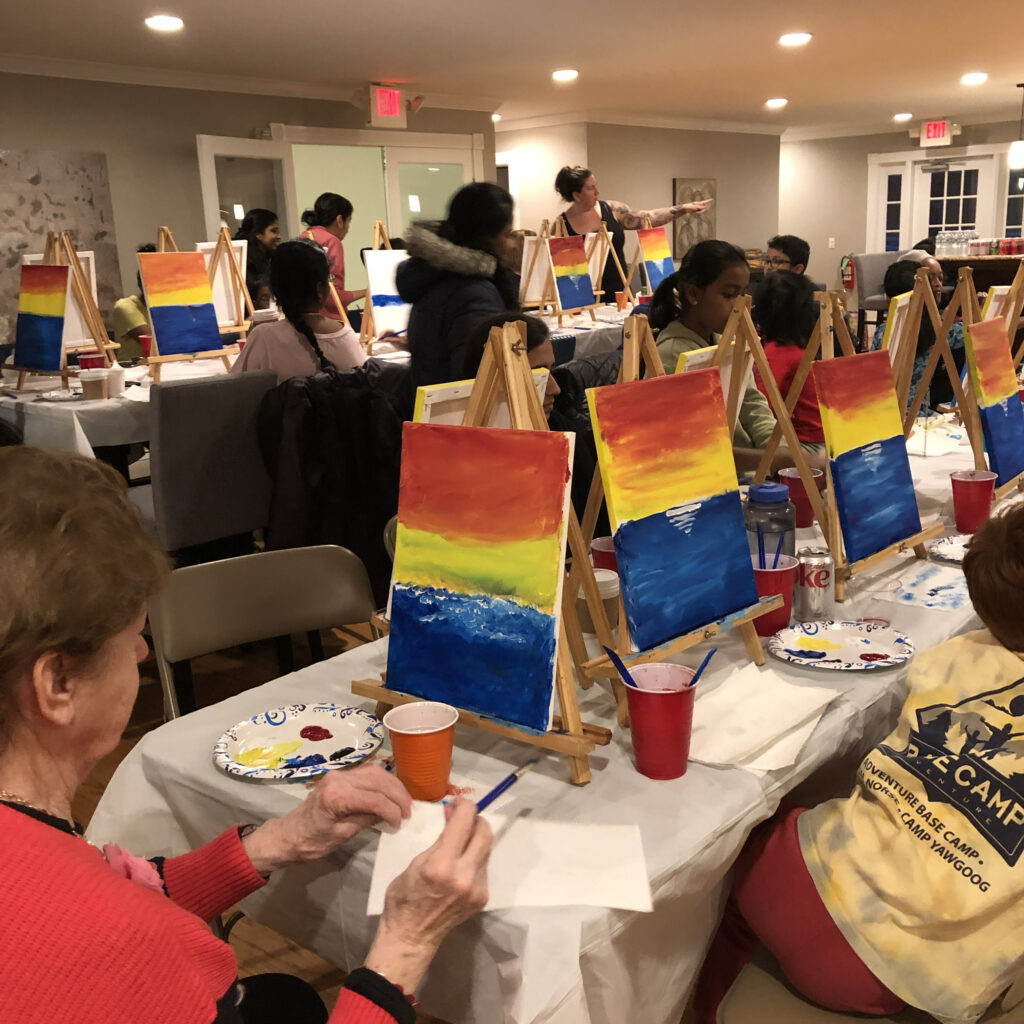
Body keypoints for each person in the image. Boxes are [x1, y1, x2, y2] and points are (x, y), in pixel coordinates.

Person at [0, 445, 493, 1024]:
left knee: (285, 999)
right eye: (134, 637)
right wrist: (404, 947)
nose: (140, 652)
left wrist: (280, 841)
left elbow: (110, 893)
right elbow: (107, 931)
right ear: (57, 682)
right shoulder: (116, 946)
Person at [694, 503, 1024, 1024]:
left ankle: (702, 1007)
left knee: (749, 836)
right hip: (897, 971)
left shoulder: (954, 656)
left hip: (792, 883)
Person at [649, 240, 777, 450]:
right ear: (694, 294)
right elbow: (694, 448)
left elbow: (752, 403)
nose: (739, 305)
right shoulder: (672, 353)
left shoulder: (726, 341)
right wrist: (773, 459)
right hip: (712, 473)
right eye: (729, 295)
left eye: (742, 294)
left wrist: (779, 449)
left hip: (747, 466)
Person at [397, 182, 519, 388]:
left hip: (435, 412)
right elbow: (479, 382)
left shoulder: (435, 276)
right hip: (460, 416)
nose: (512, 244)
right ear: (485, 237)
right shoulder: (474, 292)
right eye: (507, 234)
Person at [554, 166, 713, 302]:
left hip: (619, 294)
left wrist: (683, 208)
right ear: (576, 195)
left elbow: (647, 218)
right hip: (582, 300)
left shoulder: (612, 209)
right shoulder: (561, 227)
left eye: (596, 186)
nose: (597, 192)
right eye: (590, 188)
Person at [231, 239, 366, 384]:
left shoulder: (264, 337)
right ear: (320, 289)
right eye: (329, 279)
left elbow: (235, 391)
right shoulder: (347, 337)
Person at [870, 255, 965, 411]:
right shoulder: (933, 331)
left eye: (940, 279)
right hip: (918, 417)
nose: (937, 285)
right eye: (932, 280)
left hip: (884, 415)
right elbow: (967, 332)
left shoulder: (882, 333)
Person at [751, 271, 825, 453]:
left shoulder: (777, 355)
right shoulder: (794, 352)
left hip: (806, 446)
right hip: (818, 441)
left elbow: (762, 408)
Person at [301, 193, 367, 326]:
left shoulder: (302, 237)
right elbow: (331, 296)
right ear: (340, 220)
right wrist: (367, 292)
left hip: (302, 321)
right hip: (328, 324)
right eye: (349, 221)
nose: (348, 229)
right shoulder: (331, 241)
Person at [112, 243, 156, 363]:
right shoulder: (125, 307)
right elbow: (154, 343)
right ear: (140, 284)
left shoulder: (172, 306)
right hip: (134, 370)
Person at [233, 209, 280, 298]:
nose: (279, 236)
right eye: (273, 231)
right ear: (258, 234)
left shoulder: (272, 256)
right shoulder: (242, 259)